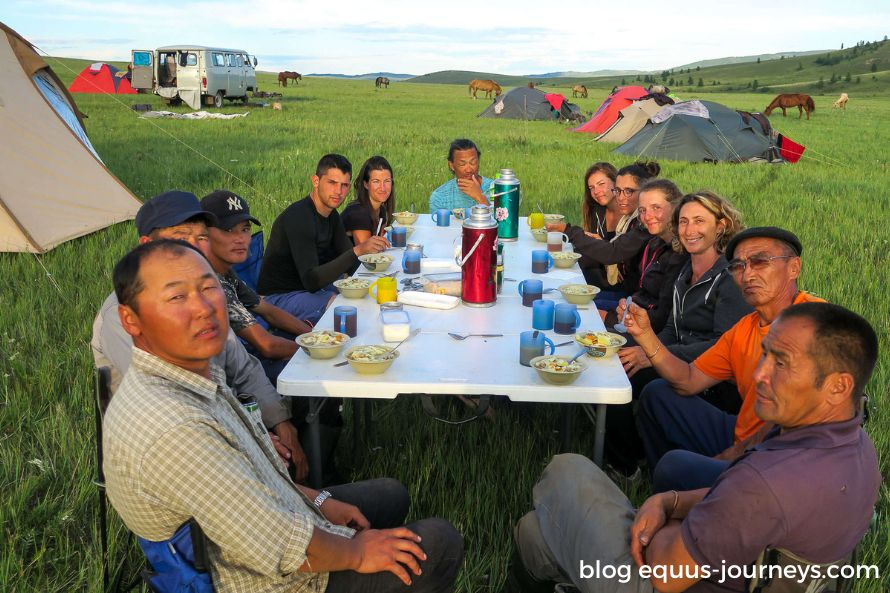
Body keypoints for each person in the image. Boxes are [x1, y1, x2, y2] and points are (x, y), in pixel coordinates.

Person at [104, 239, 464, 593]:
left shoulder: (191, 371)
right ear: (130, 320)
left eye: (207, 287)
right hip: (264, 578)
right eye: (176, 297)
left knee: (391, 494)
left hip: (268, 520)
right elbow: (274, 543)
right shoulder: (174, 426)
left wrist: (319, 501)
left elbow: (257, 475)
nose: (203, 308)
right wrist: (356, 552)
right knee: (439, 543)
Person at [506, 302, 880, 593]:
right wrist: (670, 500)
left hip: (666, 580)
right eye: (765, 354)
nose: (759, 374)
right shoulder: (857, 448)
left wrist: (660, 521)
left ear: (838, 386)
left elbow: (666, 572)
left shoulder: (764, 487)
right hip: (748, 568)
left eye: (780, 363)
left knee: (568, 470)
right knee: (537, 533)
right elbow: (743, 507)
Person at [90, 190, 309, 480]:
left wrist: (281, 421)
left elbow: (242, 366)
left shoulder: (205, 299)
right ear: (146, 246)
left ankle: (313, 494)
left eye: (202, 237)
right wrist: (253, 436)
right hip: (169, 447)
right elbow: (170, 401)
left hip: (219, 418)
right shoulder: (124, 314)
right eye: (181, 236)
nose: (194, 248)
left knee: (295, 430)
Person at [626, 226, 824, 491]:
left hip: (781, 457)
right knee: (658, 393)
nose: (748, 274)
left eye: (760, 261)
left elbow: (804, 420)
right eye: (739, 266)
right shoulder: (744, 328)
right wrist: (646, 336)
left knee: (675, 467)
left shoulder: (817, 322)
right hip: (739, 434)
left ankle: (688, 493)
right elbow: (688, 380)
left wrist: (734, 455)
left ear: (793, 268)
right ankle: (675, 488)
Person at [257, 154, 389, 326]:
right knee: (342, 307)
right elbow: (311, 280)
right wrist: (359, 250)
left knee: (364, 293)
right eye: (332, 183)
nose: (338, 191)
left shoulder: (331, 215)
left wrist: (377, 277)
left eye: (344, 185)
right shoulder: (299, 218)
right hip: (279, 297)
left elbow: (351, 261)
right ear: (316, 181)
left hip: (311, 287)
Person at [200, 189, 314, 381]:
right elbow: (266, 346)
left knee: (302, 328)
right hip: (225, 377)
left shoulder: (227, 272)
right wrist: (316, 350)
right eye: (228, 230)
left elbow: (267, 310)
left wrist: (313, 335)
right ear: (204, 234)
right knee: (307, 370)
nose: (241, 239)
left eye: (245, 229)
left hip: (241, 357)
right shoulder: (211, 282)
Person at [342, 156, 396, 245]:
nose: (383, 188)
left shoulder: (381, 210)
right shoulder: (359, 214)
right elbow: (366, 255)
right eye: (376, 181)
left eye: (387, 181)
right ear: (366, 184)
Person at [428, 139, 493, 211]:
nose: (468, 170)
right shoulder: (439, 197)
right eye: (462, 164)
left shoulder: (496, 188)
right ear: (451, 165)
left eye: (473, 162)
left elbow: (502, 221)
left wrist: (480, 197)